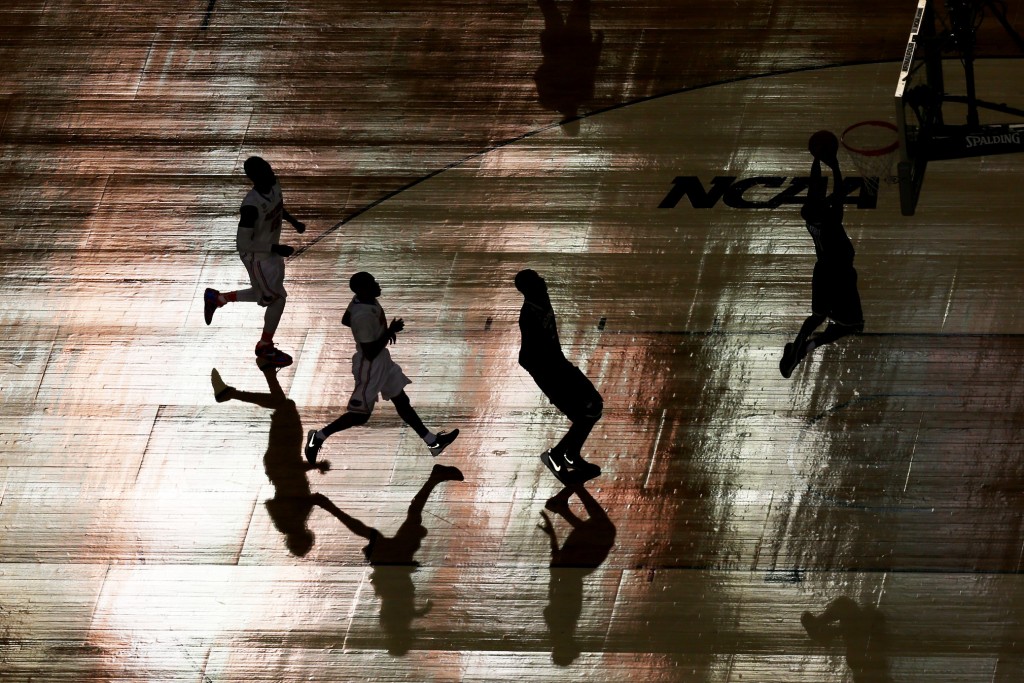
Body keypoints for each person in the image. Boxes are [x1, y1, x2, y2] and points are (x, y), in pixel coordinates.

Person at [304, 271, 459, 464]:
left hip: (382, 361)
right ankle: (317, 437)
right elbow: (369, 352)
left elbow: (346, 319)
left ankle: (433, 442)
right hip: (370, 367)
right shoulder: (362, 316)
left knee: (402, 401)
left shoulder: (359, 301)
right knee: (359, 416)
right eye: (372, 283)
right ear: (362, 289)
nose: (377, 285)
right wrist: (388, 332)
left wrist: (378, 333)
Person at [204, 156, 306, 370]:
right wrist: (275, 248)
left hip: (269, 253)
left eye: (269, 169)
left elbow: (277, 205)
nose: (270, 174)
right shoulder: (250, 207)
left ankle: (218, 299)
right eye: (265, 173)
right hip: (257, 258)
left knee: (264, 293)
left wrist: (293, 221)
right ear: (254, 178)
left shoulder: (273, 184)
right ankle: (265, 346)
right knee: (277, 299)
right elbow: (242, 243)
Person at [780, 147, 865, 378]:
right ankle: (801, 350)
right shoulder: (831, 222)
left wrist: (816, 160)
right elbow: (837, 192)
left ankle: (797, 351)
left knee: (818, 317)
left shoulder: (813, 220)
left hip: (824, 270)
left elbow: (815, 187)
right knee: (852, 324)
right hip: (840, 274)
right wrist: (835, 165)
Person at [515, 269, 602, 482]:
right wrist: (548, 375)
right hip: (551, 374)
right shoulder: (528, 316)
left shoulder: (542, 299)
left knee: (594, 407)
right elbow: (525, 357)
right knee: (586, 412)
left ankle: (570, 455)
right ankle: (556, 456)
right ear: (529, 289)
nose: (543, 281)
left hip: (559, 366)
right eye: (537, 280)